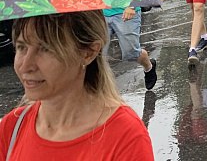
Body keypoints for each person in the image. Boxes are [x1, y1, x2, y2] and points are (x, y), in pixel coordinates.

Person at [0, 11, 154, 160]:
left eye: (45, 49)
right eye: (21, 47)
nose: (25, 66)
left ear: (88, 53)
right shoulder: (12, 127)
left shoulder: (125, 137)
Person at [104, 6, 158, 90]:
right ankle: (99, 91)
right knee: (95, 54)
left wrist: (132, 5)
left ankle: (149, 66)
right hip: (99, 13)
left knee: (131, 53)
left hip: (126, 11)